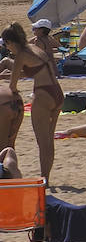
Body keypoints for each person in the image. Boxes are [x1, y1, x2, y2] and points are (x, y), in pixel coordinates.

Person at [4, 20, 60, 181]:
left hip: (43, 95)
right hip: (57, 92)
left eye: (6, 45)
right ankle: (46, 178)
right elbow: (34, 70)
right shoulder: (33, 48)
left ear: (9, 42)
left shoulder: (21, 55)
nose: (6, 48)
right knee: (49, 140)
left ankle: (44, 180)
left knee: (42, 142)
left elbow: (12, 86)